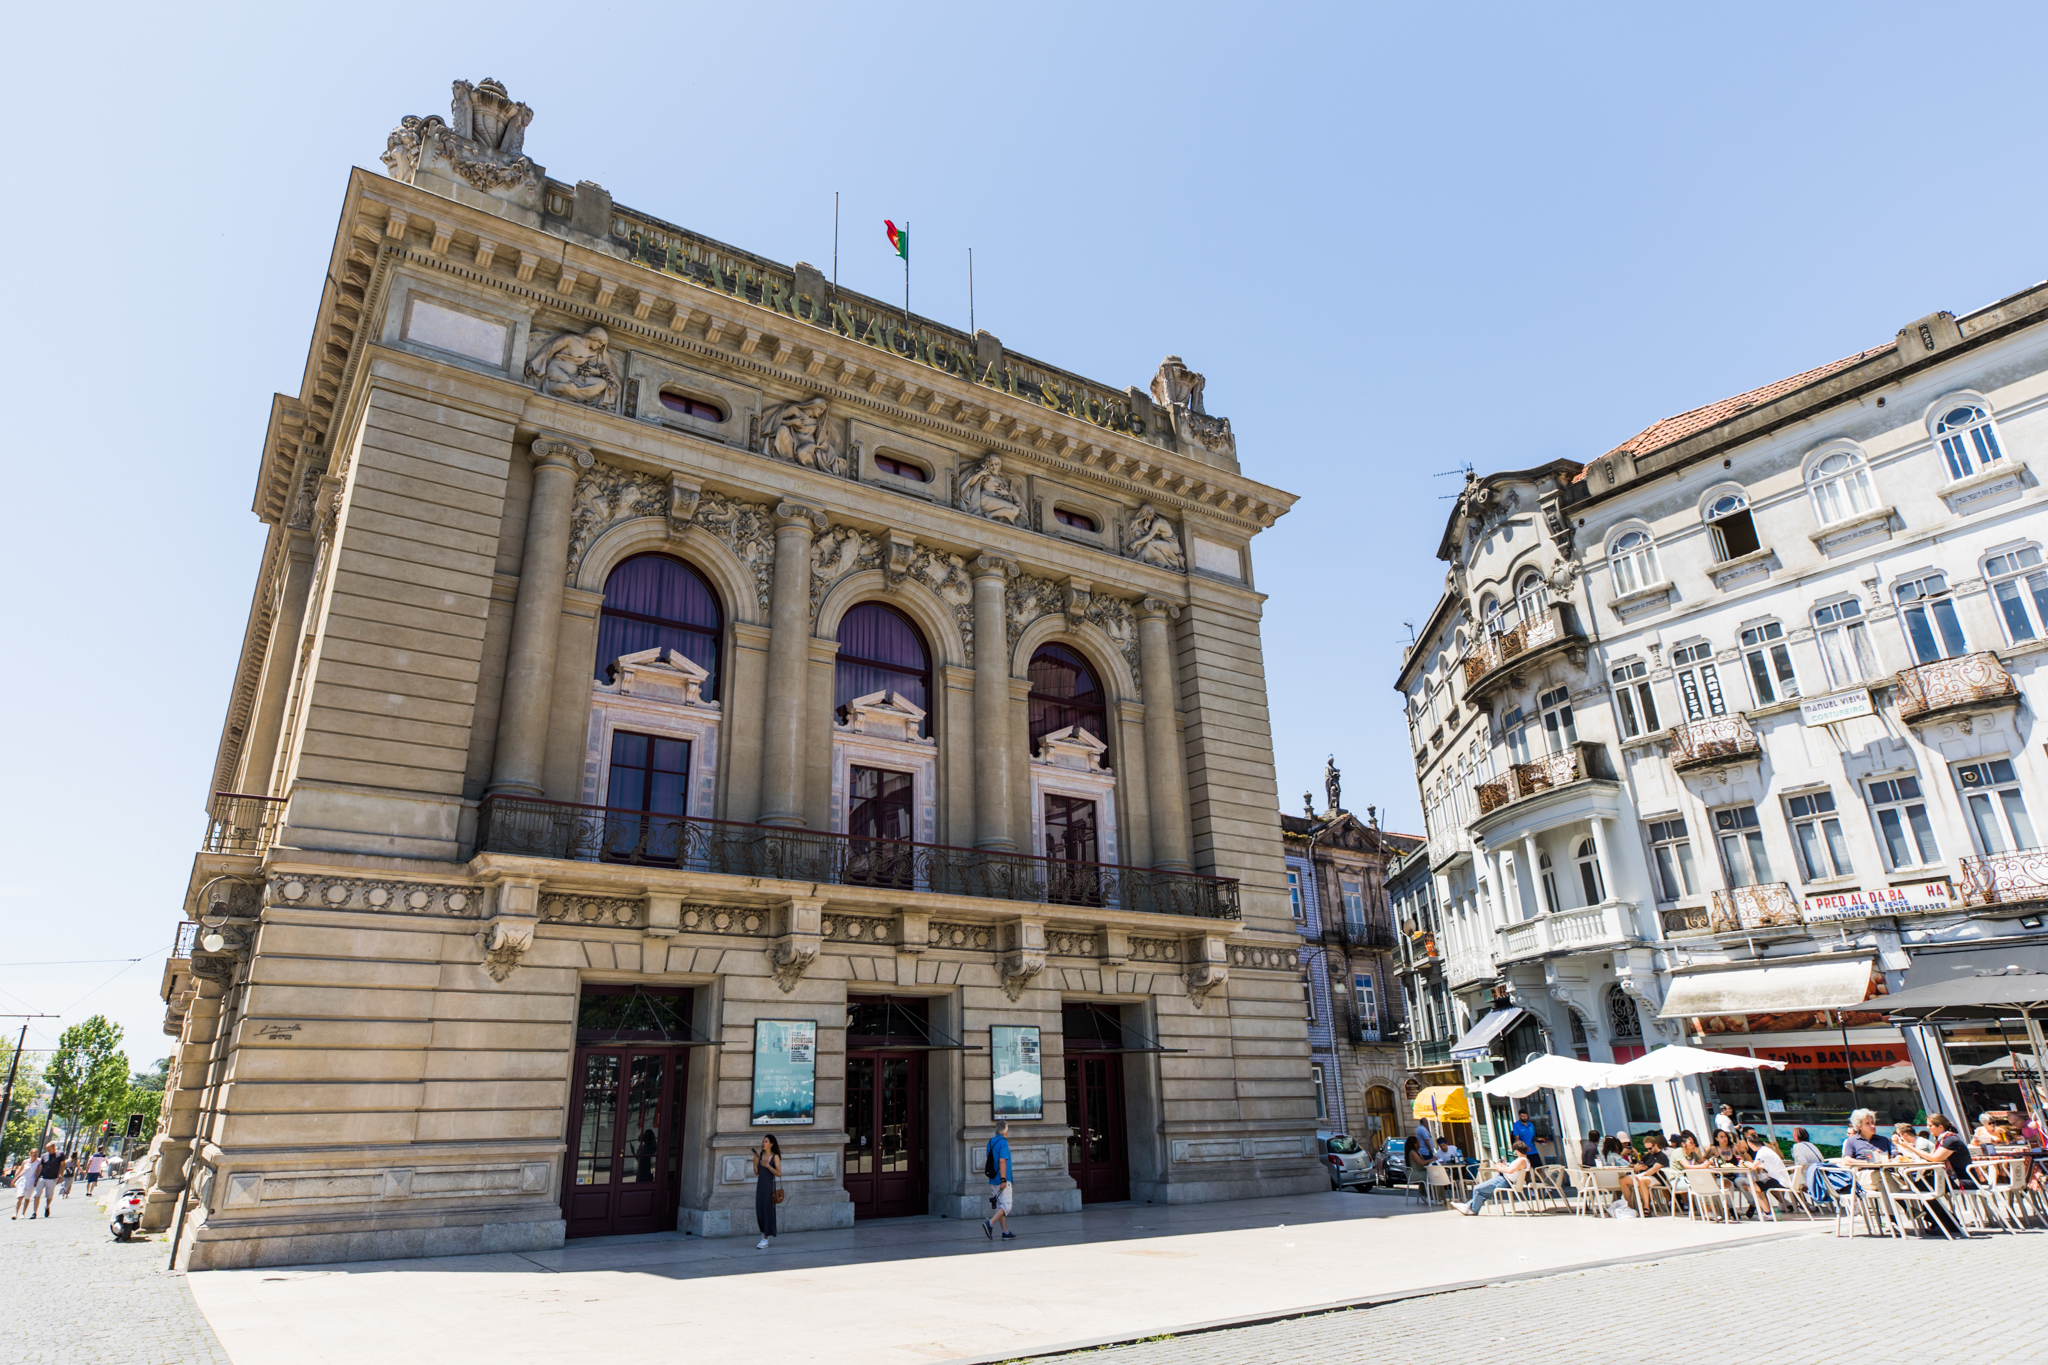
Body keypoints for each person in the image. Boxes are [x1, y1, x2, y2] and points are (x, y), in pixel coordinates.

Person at [1451, 1140, 1531, 1215]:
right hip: (1505, 1180)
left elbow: (1510, 1171)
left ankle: (1472, 1209)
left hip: (1503, 1180)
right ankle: (1468, 1207)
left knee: (1477, 1188)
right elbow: (1512, 1170)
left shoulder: (1521, 1160)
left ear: (1517, 1150)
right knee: (1481, 1193)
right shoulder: (1526, 1160)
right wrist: (1503, 1167)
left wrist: (1499, 1168)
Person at [1737, 1133, 1792, 1217]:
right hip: (1781, 1179)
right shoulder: (1765, 1149)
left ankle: (1767, 1213)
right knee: (1757, 1187)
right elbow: (1762, 1166)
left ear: (1750, 1144)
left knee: (1751, 1187)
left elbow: (1753, 1166)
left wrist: (1745, 1162)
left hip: (1779, 1180)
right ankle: (1767, 1212)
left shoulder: (1761, 1153)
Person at [1619, 1133, 1671, 1213]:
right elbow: (1637, 1166)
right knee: (1622, 1179)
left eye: (1650, 1148)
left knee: (1643, 1180)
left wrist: (1643, 1173)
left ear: (1655, 1145)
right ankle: (1629, 1206)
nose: (1649, 1150)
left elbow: (1654, 1169)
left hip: (1657, 1178)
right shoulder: (1648, 1155)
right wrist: (1639, 1167)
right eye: (1647, 1149)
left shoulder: (1662, 1156)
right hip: (1644, 1176)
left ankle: (1646, 1207)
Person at [984, 1119, 1016, 1241]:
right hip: (1002, 1178)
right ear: (1006, 1131)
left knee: (1000, 1205)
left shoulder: (991, 1142)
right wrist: (1003, 1179)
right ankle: (990, 1223)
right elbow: (1002, 1161)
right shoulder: (1003, 1143)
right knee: (1007, 1205)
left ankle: (1005, 1232)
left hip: (993, 1178)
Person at [752, 1134, 780, 1250]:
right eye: (763, 1141)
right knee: (759, 1209)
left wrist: (768, 1166)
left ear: (771, 1144)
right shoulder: (761, 1155)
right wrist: (755, 1162)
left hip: (769, 1187)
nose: (763, 1143)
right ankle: (763, 1235)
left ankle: (766, 1238)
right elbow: (756, 1172)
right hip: (760, 1186)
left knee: (767, 1210)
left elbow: (779, 1173)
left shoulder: (775, 1157)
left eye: (766, 1141)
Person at [31, 1143, 62, 1218]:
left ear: (54, 1147)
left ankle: (47, 1206)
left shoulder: (59, 1154)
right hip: (42, 1177)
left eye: (49, 1149)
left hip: (52, 1178)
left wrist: (60, 1175)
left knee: (49, 1195)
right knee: (37, 1194)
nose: (48, 1150)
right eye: (47, 1149)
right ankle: (34, 1212)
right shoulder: (44, 1156)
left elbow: (62, 1164)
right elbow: (41, 1167)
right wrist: (36, 1178)